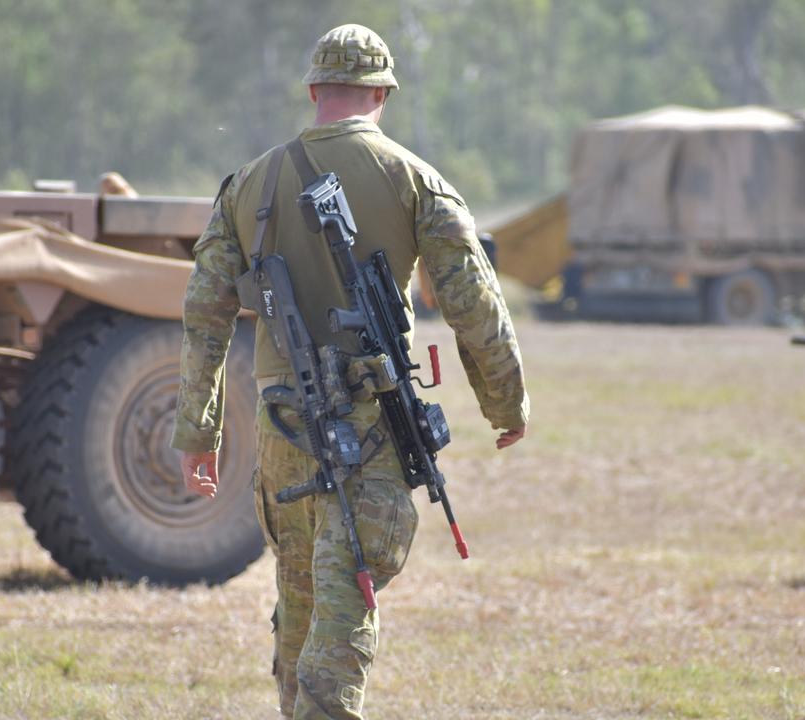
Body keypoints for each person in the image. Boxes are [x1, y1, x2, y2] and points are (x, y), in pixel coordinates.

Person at [171, 23, 529, 719]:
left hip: (281, 431)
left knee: (299, 600)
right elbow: (474, 304)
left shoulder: (245, 185)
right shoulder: (417, 180)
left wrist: (197, 432)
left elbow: (204, 312)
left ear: (313, 91)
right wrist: (505, 404)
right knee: (343, 605)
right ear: (383, 94)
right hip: (370, 430)